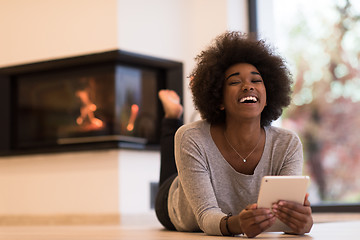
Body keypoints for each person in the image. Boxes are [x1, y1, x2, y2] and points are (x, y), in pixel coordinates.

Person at [155, 31, 313, 238]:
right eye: (234, 82)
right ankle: (172, 116)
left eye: (256, 81)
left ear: (268, 96)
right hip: (176, 206)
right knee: (173, 158)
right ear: (218, 99)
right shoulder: (192, 137)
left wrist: (300, 222)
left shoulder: (287, 143)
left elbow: (284, 216)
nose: (248, 86)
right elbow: (205, 216)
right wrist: (237, 224)